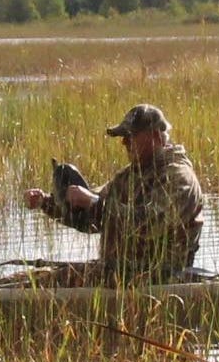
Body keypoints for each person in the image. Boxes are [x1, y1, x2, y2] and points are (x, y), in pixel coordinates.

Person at [20, 103, 206, 285]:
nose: (124, 142)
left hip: (161, 276)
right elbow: (93, 220)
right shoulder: (128, 177)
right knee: (24, 278)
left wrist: (94, 203)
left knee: (36, 286)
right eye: (123, 136)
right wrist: (46, 203)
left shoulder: (179, 177)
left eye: (130, 136)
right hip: (121, 271)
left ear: (155, 136)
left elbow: (152, 223)